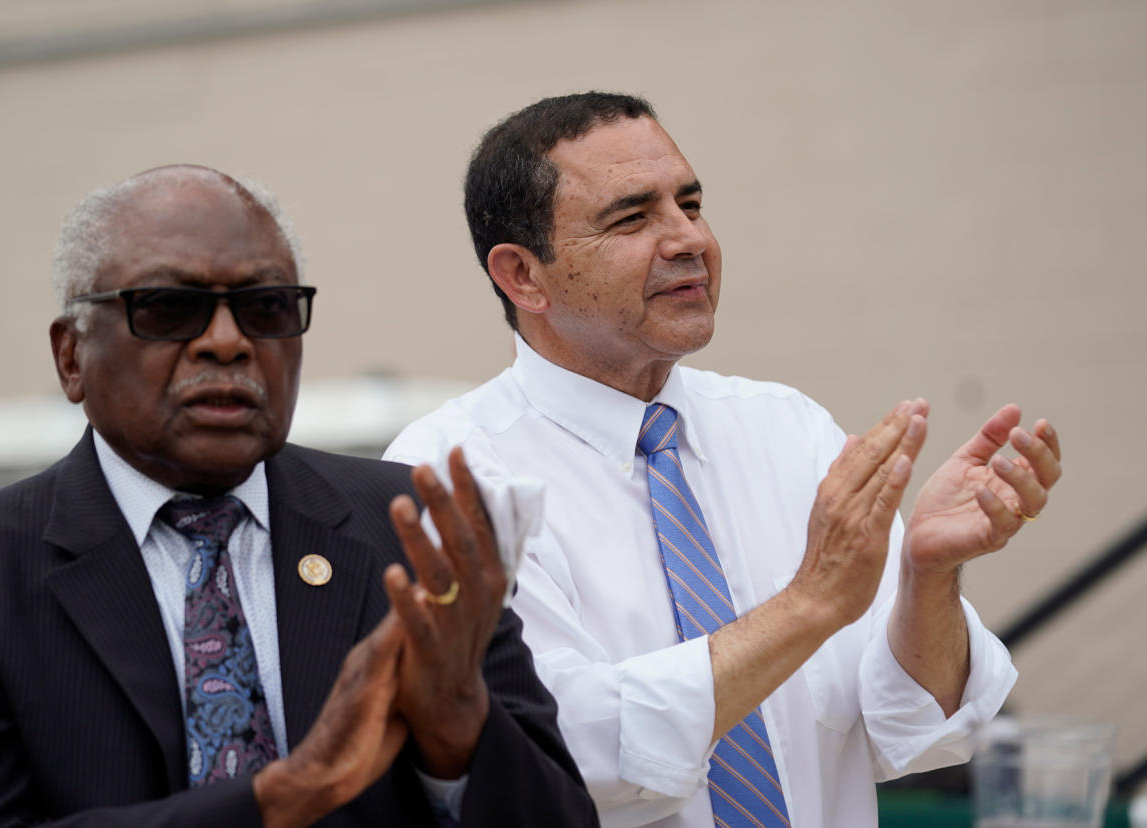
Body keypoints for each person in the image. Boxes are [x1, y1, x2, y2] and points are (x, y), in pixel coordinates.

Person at [385, 92, 1063, 826]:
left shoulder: (785, 427)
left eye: (692, 204)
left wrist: (927, 576)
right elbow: (559, 747)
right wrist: (808, 605)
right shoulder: (447, 474)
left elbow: (915, 727)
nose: (689, 240)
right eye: (633, 217)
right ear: (522, 275)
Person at [0, 165, 599, 828]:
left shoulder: (410, 529)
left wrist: (458, 733)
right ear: (71, 356)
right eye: (170, 308)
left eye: (265, 307)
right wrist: (287, 795)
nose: (227, 342)